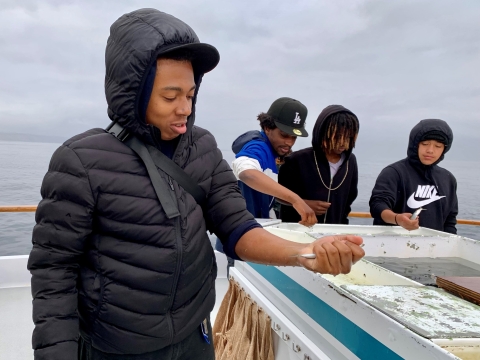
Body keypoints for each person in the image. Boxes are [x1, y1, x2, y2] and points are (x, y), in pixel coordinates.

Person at [27, 9, 365, 360]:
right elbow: (54, 269)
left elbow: (237, 228)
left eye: (190, 95)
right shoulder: (80, 160)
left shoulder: (201, 147)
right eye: (170, 97)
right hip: (117, 347)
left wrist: (305, 255)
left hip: (194, 338)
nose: (184, 109)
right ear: (133, 91)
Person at [230, 97, 317, 225]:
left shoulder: (271, 153)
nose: (289, 142)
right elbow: (247, 173)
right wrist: (296, 200)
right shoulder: (258, 147)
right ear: (267, 128)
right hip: (238, 234)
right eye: (284, 135)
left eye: (294, 137)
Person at [369, 119, 457, 233]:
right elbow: (377, 206)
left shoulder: (448, 179)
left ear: (444, 149)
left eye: (438, 146)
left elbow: (450, 220)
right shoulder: (393, 172)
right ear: (415, 144)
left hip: (434, 247)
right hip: (392, 244)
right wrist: (397, 219)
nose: (430, 150)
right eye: (425, 144)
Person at [278, 105, 359, 224]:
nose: (343, 142)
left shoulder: (350, 161)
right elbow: (278, 195)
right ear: (322, 132)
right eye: (337, 136)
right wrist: (304, 203)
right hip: (299, 229)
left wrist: (342, 224)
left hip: (334, 231)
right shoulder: (296, 160)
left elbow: (349, 198)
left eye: (348, 137)